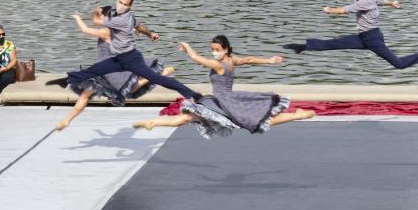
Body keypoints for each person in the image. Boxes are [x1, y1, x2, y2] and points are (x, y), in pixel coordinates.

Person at [134, 36, 315, 137]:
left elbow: (198, 59)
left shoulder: (219, 65)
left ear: (226, 50)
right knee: (187, 118)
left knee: (260, 122)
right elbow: (249, 59)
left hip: (224, 103)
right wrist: (269, 60)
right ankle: (153, 122)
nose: (214, 52)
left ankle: (299, 115)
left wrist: (188, 47)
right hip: (221, 101)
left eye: (217, 50)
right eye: (212, 49)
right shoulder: (232, 61)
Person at [46, 0, 203, 102]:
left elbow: (94, 23)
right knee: (93, 71)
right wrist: (150, 34)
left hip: (130, 59)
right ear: (117, 1)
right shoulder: (126, 17)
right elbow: (139, 26)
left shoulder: (118, 21)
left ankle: (193, 94)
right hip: (118, 59)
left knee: (158, 79)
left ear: (130, 6)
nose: (121, 6)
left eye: (125, 4)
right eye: (120, 2)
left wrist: (83, 17)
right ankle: (66, 80)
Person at [55, 9, 175, 130]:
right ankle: (67, 120)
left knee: (123, 91)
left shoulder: (106, 32)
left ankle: (160, 74)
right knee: (96, 93)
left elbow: (85, 30)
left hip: (109, 70)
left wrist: (77, 18)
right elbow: (134, 28)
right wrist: (148, 33)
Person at [282, 0, 418, 69]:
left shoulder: (365, 1)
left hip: (372, 39)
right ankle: (302, 47)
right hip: (364, 37)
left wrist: (329, 10)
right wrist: (392, 3)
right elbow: (380, 1)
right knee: (334, 43)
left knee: (399, 64)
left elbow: (344, 10)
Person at [0, 25, 17, 104]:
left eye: (3, 34)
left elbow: (13, 60)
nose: (2, 36)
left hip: (7, 69)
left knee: (7, 76)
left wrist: (5, 68)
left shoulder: (9, 45)